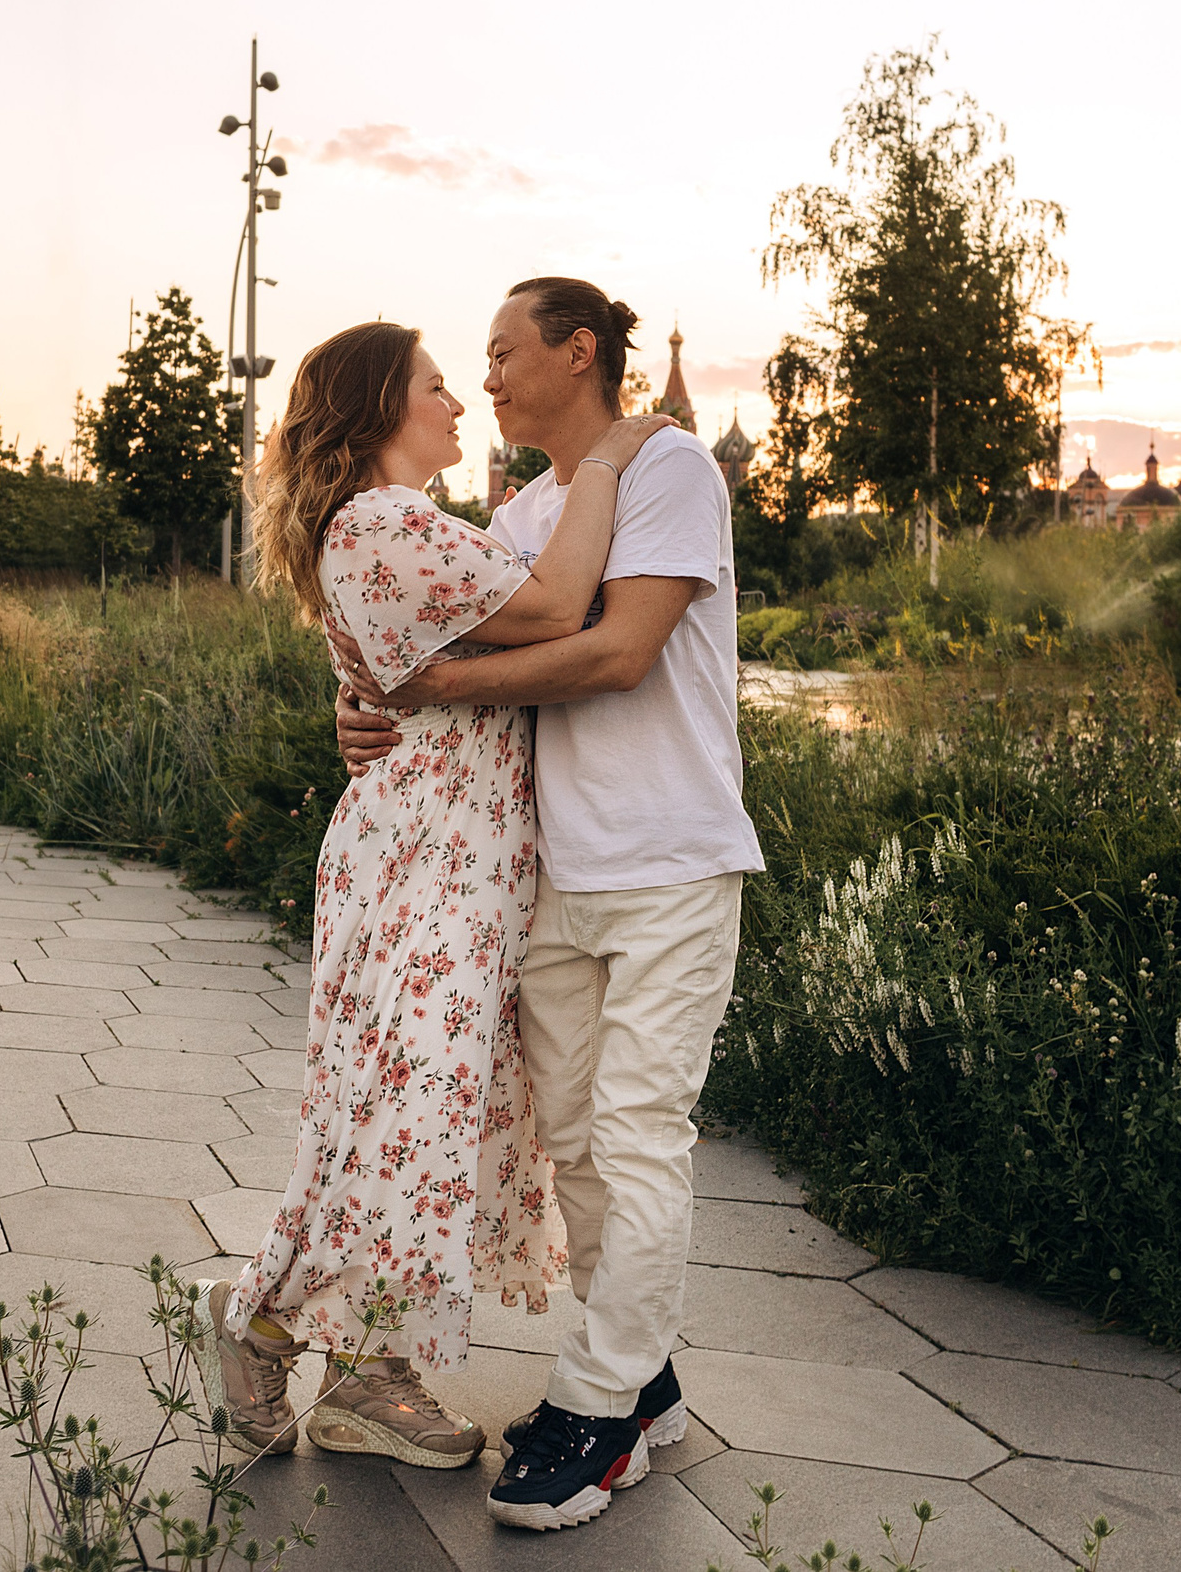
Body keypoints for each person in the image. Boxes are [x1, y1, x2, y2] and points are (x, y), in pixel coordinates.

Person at [183, 318, 669, 1476]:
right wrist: (609, 459)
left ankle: (349, 1362)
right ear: (378, 411)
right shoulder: (384, 522)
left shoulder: (401, 527)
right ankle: (292, 1338)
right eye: (438, 387)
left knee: (410, 1116)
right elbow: (560, 608)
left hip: (447, 859)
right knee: (404, 1115)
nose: (460, 404)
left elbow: (425, 676)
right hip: (429, 867)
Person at [329, 277, 765, 1530]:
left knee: (637, 1135)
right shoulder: (521, 513)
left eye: (507, 353)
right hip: (550, 872)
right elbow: (437, 636)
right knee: (571, 1144)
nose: (490, 379)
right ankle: (649, 1366)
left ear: (580, 354)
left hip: (671, 860)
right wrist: (371, 700)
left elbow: (614, 652)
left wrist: (435, 685)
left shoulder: (670, 468)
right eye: (474, 361)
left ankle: (596, 1404)